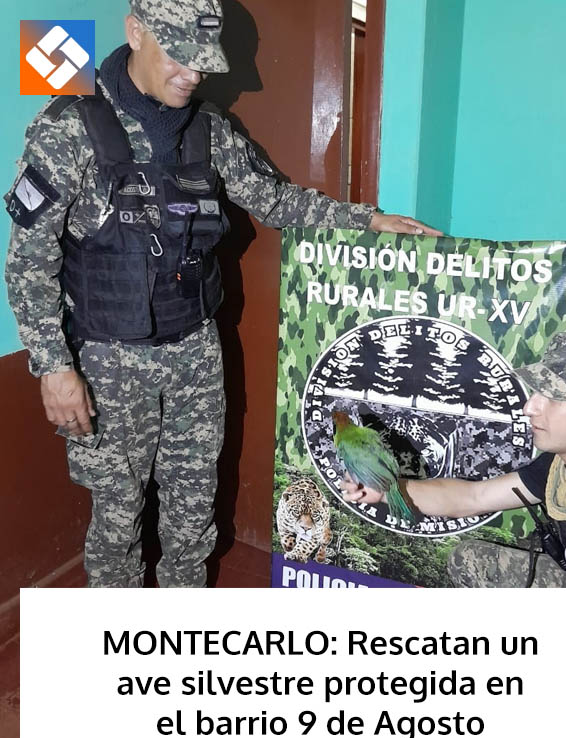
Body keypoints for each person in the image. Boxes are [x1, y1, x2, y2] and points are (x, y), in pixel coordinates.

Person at [5, 0, 441, 589]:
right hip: (109, 360)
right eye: (180, 57)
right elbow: (29, 258)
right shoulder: (70, 127)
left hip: (195, 351)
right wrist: (54, 368)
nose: (193, 74)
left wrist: (367, 220)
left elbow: (274, 199)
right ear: (136, 33)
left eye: (203, 62)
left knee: (193, 510)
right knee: (117, 520)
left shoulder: (209, 130)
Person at [341, 330, 566, 738]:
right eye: (537, 391)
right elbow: (476, 496)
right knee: (472, 561)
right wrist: (391, 491)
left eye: (553, 397)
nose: (531, 406)